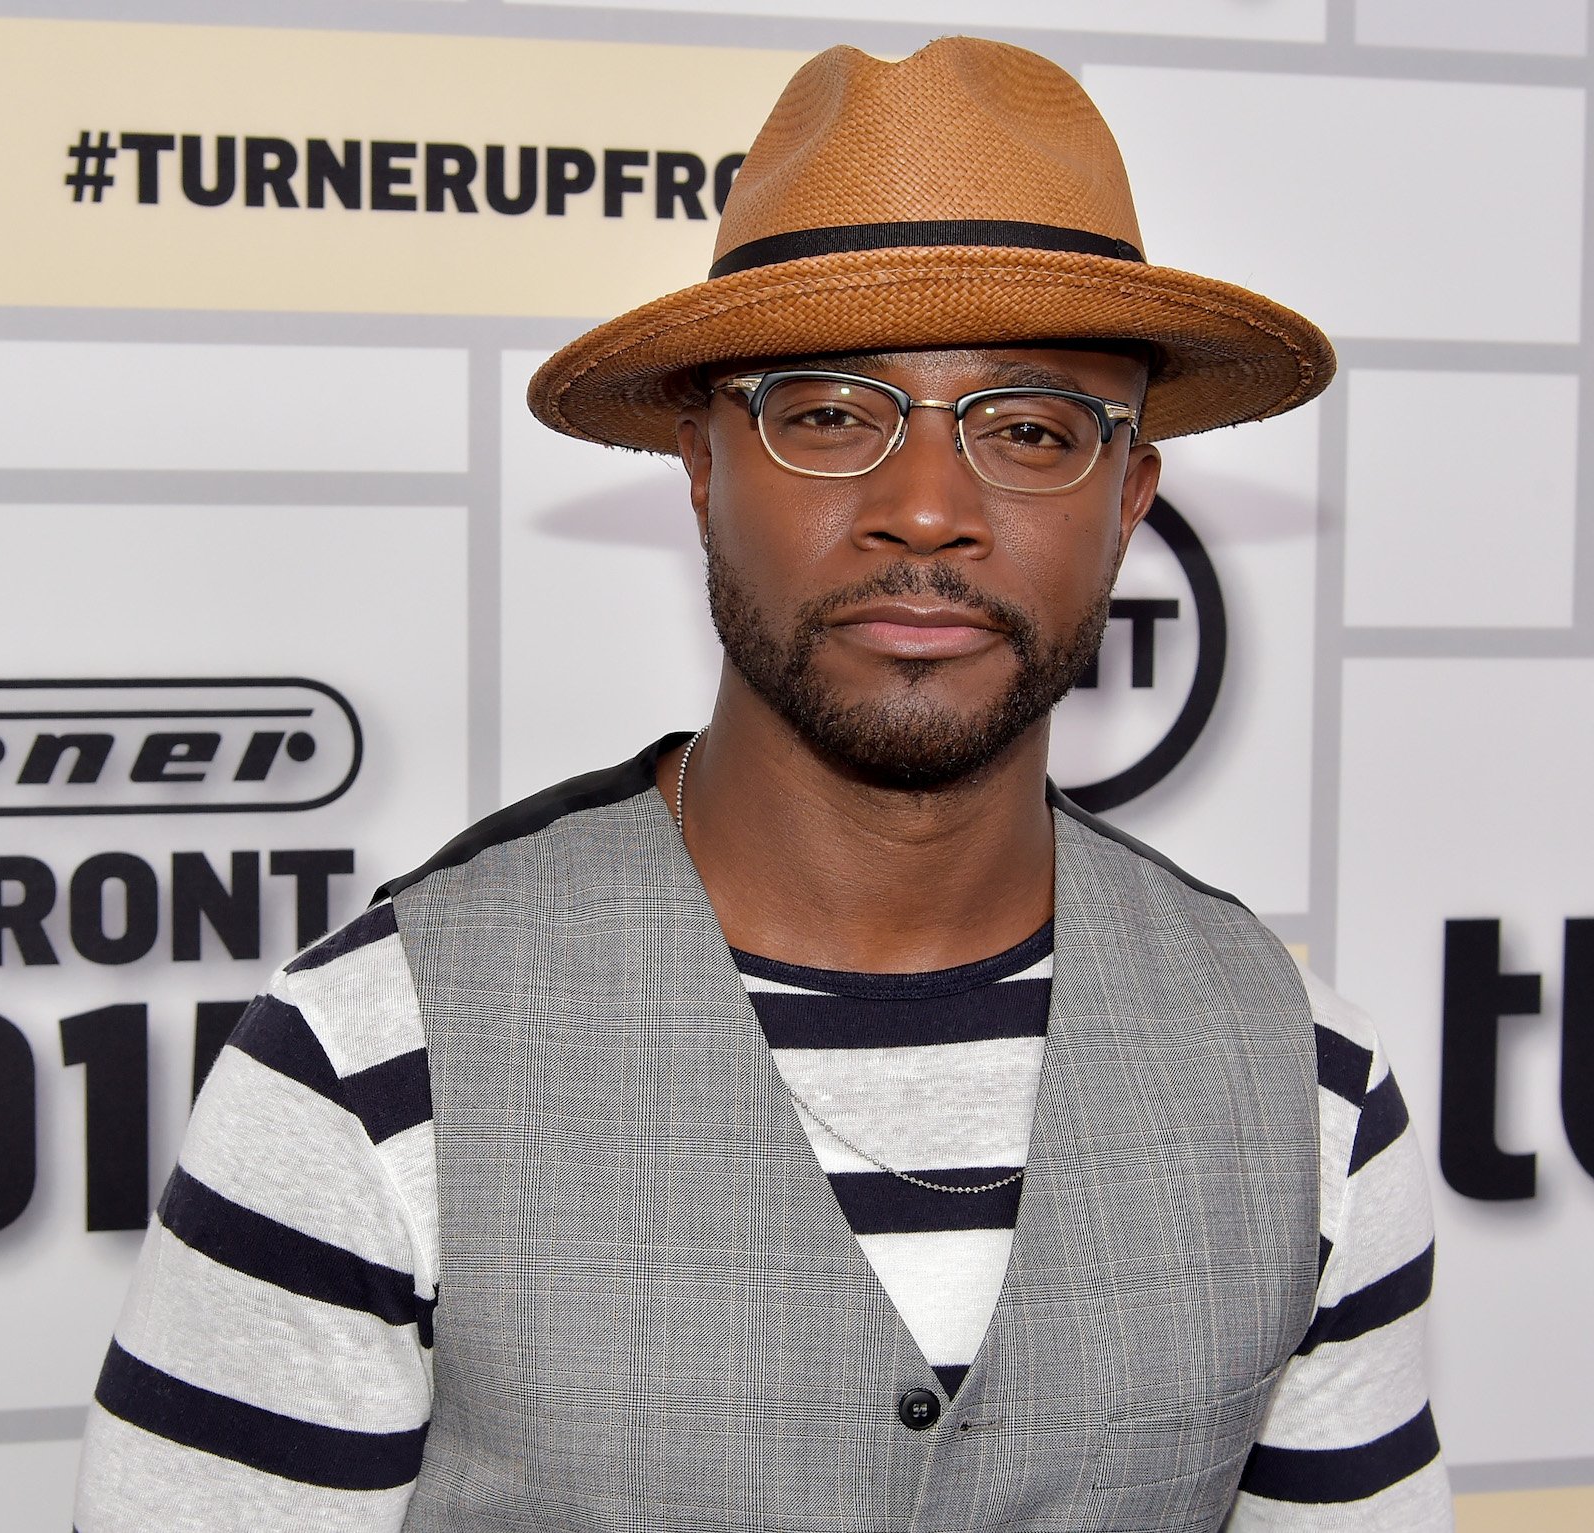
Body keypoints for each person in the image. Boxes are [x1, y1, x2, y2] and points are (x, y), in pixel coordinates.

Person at [74, 35, 1449, 1533]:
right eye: (828, 411)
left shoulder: (1309, 1083)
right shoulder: (371, 1055)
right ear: (700, 462)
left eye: (1032, 430)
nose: (927, 506)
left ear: (1130, 499)